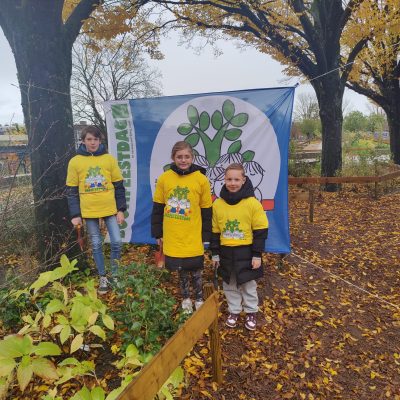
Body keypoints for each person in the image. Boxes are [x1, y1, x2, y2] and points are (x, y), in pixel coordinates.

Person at [151, 141, 212, 313]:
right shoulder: (164, 178)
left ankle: (199, 299)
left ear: (192, 158)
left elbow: (207, 210)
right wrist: (158, 232)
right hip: (173, 234)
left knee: (196, 269)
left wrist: (206, 236)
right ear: (173, 158)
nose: (183, 160)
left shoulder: (201, 179)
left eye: (187, 157)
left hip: (193, 233)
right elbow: (157, 208)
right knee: (182, 270)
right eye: (179, 157)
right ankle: (186, 299)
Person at [66, 125, 127, 294]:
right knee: (96, 244)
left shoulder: (109, 159)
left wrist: (121, 209)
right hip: (89, 211)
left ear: (100, 140)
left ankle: (115, 275)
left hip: (109, 208)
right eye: (89, 139)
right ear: (83, 141)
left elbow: (119, 186)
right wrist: (75, 214)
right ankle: (103, 277)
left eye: (96, 139)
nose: (92, 143)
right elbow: (71, 190)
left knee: (116, 242)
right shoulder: (75, 161)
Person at [210, 163, 268, 331]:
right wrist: (215, 254)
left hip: (247, 251)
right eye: (229, 179)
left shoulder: (252, 203)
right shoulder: (218, 204)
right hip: (226, 252)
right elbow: (214, 231)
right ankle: (234, 310)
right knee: (229, 283)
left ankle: (251, 311)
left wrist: (257, 255)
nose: (232, 183)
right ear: (224, 180)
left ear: (243, 180)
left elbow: (260, 230)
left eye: (236, 179)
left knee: (248, 284)